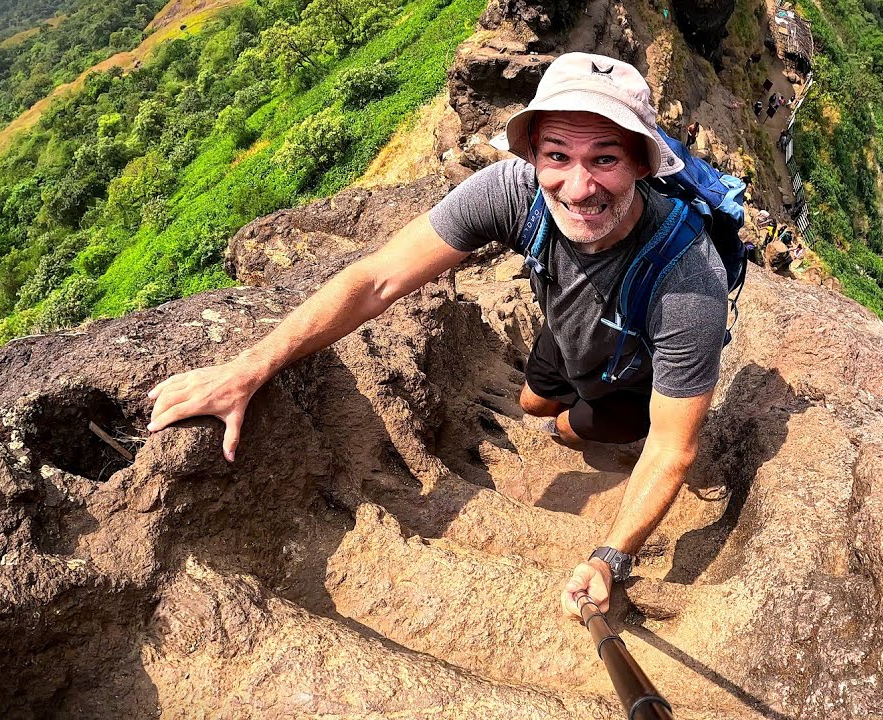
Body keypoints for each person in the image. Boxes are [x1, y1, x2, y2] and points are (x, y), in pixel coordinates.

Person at [145, 53, 729, 623]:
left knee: (575, 434)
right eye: (557, 156)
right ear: (531, 155)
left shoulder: (688, 279)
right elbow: (376, 278)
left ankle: (591, 430)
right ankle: (554, 408)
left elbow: (672, 448)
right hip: (566, 330)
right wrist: (249, 368)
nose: (578, 188)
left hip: (627, 375)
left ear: (643, 165)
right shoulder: (511, 191)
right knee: (532, 404)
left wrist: (610, 559)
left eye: (605, 159)